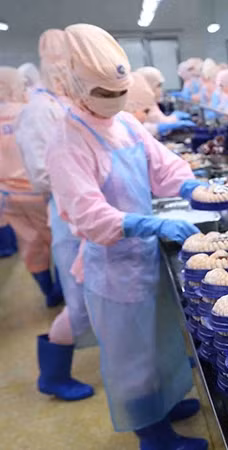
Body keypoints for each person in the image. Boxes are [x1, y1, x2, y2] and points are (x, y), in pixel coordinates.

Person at [47, 24, 206, 449]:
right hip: (114, 267)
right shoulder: (68, 140)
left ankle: (168, 401)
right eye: (107, 95)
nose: (115, 104)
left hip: (146, 257)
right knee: (132, 357)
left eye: (121, 94)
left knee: (162, 342)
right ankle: (152, 434)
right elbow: (89, 215)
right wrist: (146, 224)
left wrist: (190, 186)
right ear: (79, 88)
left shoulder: (122, 124)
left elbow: (162, 164)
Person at [16, 29, 94, 401]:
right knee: (79, 304)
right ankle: (53, 374)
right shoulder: (39, 110)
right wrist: (85, 181)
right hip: (69, 215)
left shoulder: (62, 104)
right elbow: (41, 173)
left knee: (95, 299)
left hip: (86, 211)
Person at [0, 67, 62, 308]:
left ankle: (48, 293)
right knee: (56, 241)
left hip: (6, 196)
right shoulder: (28, 113)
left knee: (30, 244)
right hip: (37, 192)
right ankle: (61, 290)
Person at [135, 67, 195, 134]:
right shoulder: (138, 105)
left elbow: (161, 121)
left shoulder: (151, 103)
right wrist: (164, 125)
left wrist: (174, 118)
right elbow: (138, 129)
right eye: (158, 86)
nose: (161, 90)